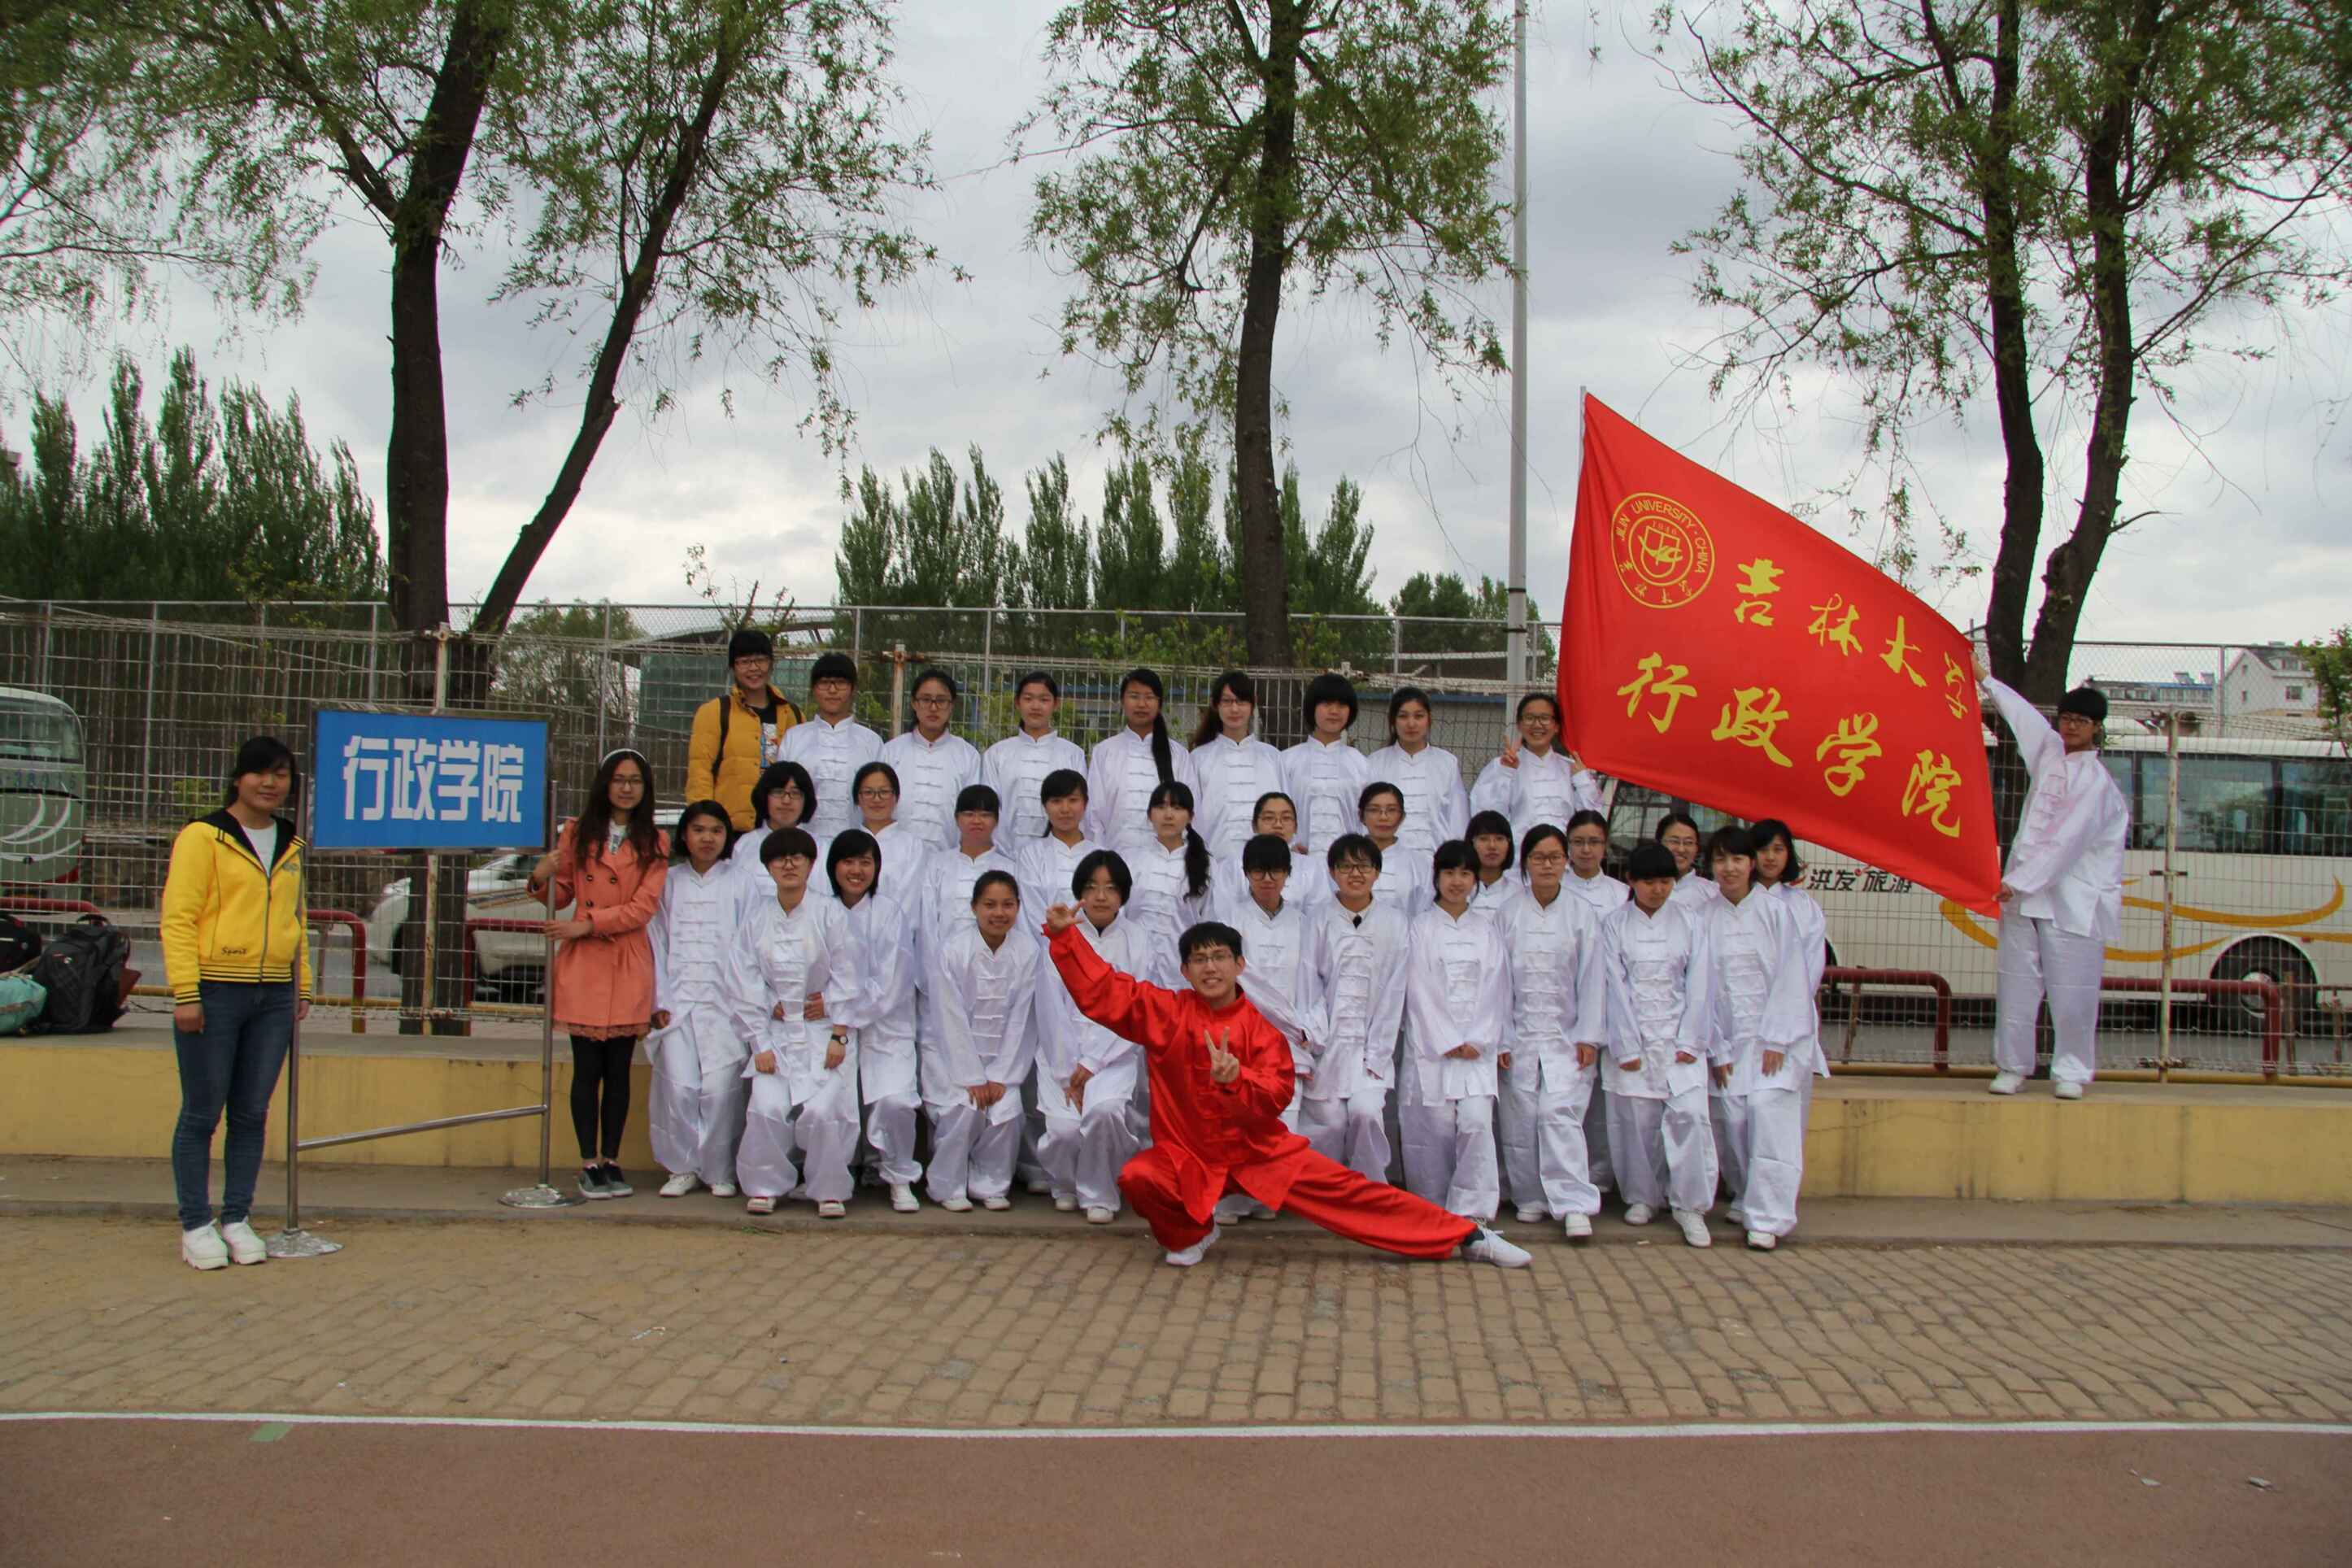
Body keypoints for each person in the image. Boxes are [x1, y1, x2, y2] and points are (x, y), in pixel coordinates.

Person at [1041, 906, 1531, 1270]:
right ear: (1185, 971)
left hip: (1258, 1152)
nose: (1210, 968)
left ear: (1240, 964)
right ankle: (1191, 1234)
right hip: (1187, 1154)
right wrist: (1066, 938)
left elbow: (1275, 1097)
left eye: (1219, 957)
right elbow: (1105, 992)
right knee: (1139, 1177)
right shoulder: (1166, 1012)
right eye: (1199, 960)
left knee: (1356, 1196)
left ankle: (1466, 1236)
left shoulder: (1261, 1030)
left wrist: (1236, 1080)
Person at [159, 734, 314, 1270]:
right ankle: (195, 1224)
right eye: (260, 773)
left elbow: (297, 919)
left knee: (251, 1111)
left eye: (281, 775)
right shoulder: (204, 837)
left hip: (273, 995)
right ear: (237, 779)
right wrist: (186, 992)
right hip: (215, 990)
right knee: (202, 1113)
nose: (270, 784)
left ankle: (236, 1217)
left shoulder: (292, 843)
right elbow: (179, 918)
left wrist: (301, 984)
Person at [1979, 664, 2129, 1100]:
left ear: (2097, 728)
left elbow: (2067, 841)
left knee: (2073, 990)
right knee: (2016, 983)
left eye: (2081, 721)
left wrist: (2018, 881)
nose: (2071, 727)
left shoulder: (2097, 785)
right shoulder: (2048, 753)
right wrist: (1984, 678)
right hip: (2024, 897)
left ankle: (2072, 1071)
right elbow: (2022, 716)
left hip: (2073, 901)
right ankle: (2012, 1066)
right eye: (2066, 718)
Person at [529, 748, 669, 1202]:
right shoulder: (578, 831)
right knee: (586, 1069)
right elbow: (563, 893)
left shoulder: (655, 841)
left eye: (635, 781)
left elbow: (642, 908)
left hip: (626, 957)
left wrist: (588, 925)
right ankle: (589, 1162)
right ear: (605, 784)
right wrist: (541, 876)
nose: (627, 788)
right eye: (619, 779)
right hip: (585, 962)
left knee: (619, 1071)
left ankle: (612, 1159)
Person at [729, 827, 862, 1217]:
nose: (788, 865)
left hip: (824, 1031)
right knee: (766, 1107)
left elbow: (848, 974)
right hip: (775, 1035)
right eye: (779, 858)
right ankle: (766, 1184)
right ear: (768, 867)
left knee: (823, 1112)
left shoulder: (830, 913)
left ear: (811, 863)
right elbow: (743, 980)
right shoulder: (756, 919)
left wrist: (839, 1035)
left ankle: (828, 1188)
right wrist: (759, 1042)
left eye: (797, 857)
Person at [1695, 827, 1818, 1252]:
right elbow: (1700, 989)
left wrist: (1779, 1041)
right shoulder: (1703, 917)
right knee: (1732, 1117)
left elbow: (1792, 978)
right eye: (1720, 860)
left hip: (1775, 1042)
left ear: (1751, 864)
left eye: (1737, 859)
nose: (1729, 868)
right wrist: (1716, 1048)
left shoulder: (1776, 912)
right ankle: (1747, 1196)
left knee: (1769, 1115)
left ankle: (1770, 1217)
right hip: (1729, 1043)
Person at [1597, 842, 1716, 1248]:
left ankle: (1690, 1206)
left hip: (1679, 1039)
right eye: (1649, 882)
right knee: (1636, 1123)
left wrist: (1692, 1039)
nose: (1658, 890)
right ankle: (1642, 1196)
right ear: (1631, 881)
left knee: (1690, 1118)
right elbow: (1612, 986)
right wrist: (1626, 1046)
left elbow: (1701, 982)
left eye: (1665, 882)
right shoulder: (1614, 924)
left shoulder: (1690, 922)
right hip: (1633, 1039)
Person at [1496, 825, 1609, 1239]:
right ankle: (1529, 1197)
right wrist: (1501, 1037)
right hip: (1520, 1037)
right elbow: (1498, 982)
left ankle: (1575, 1203)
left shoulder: (1582, 914)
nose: (1547, 865)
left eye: (1555, 857)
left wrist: (1589, 1036)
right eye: (1538, 858)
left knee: (1558, 1114)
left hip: (1567, 1039)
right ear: (1525, 862)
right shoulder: (1508, 913)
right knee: (1520, 1118)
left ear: (1566, 861)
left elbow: (1593, 978)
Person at [1030, 851, 1147, 1222]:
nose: (1100, 896)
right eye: (1092, 887)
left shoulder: (1138, 939)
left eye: (1110, 888)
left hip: (1114, 1053)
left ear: (1123, 895)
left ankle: (1100, 1193)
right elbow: (1050, 1008)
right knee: (1064, 1131)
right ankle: (1065, 1183)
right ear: (1080, 892)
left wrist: (1094, 1062)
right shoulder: (1061, 938)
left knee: (1104, 1113)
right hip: (1062, 1054)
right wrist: (1069, 1069)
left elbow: (1138, 1008)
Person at [1399, 841, 1511, 1221]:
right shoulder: (1420, 928)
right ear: (1436, 877)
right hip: (1433, 1049)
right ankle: (1432, 1206)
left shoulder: (1487, 930)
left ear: (1475, 879)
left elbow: (1497, 987)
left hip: (1477, 1050)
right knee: (1435, 1126)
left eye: (1465, 873)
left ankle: (1472, 1209)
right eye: (1449, 873)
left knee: (1476, 1123)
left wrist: (1479, 1038)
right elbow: (1418, 987)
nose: (1457, 881)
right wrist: (1445, 1039)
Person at [648, 800, 750, 1200]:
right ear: (685, 836)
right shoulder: (668, 883)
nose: (708, 838)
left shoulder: (741, 882)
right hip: (677, 1005)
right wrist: (658, 1001)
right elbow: (656, 943)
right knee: (679, 1087)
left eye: (716, 831)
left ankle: (720, 1169)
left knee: (721, 1090)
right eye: (699, 830)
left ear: (727, 837)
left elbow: (751, 947)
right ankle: (682, 1167)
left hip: (726, 1007)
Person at [1213, 832, 1316, 1222]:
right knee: (1239, 1119)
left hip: (1290, 1040)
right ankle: (1233, 1198)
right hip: (1243, 1035)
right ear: (1246, 874)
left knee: (1282, 1121)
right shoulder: (1230, 922)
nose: (1267, 879)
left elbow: (1315, 984)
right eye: (1258, 871)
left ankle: (1265, 1195)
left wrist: (1306, 1028)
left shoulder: (1305, 924)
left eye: (1275, 871)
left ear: (1288, 874)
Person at [926, 870, 1039, 1212]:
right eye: (990, 905)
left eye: (1007, 904)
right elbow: (948, 1017)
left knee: (1006, 1110)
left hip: (1003, 1062)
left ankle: (990, 1183)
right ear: (974, 907)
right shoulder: (953, 950)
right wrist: (972, 1075)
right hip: (952, 1060)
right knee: (965, 1108)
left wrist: (1001, 1075)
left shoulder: (1029, 951)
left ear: (1018, 907)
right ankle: (946, 1184)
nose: (999, 913)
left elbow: (1023, 1019)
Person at [1299, 834, 1409, 1182]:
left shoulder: (1394, 922)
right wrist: (1314, 1039)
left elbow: (1395, 992)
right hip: (1327, 1046)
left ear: (1377, 872)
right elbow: (1309, 981)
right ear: (1333, 872)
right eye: (1346, 867)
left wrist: (1377, 1054)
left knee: (1366, 1113)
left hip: (1370, 1050)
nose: (1355, 874)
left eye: (1363, 866)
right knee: (1328, 1123)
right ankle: (1326, 1193)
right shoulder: (1318, 919)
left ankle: (1370, 1192)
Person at [823, 830, 924, 1213]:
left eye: (865, 862)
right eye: (848, 861)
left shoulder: (889, 913)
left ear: (877, 868)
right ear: (833, 867)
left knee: (895, 1102)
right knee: (831, 1103)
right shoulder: (821, 911)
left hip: (885, 1024)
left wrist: (846, 1013)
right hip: (831, 1027)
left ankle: (899, 1176)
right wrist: (837, 1018)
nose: (857, 870)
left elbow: (891, 982)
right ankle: (831, 1177)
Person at [1557, 808, 1627, 1196]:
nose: (1586, 850)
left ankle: (1600, 1175)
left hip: (1615, 1004)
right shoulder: (1556, 889)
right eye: (1579, 842)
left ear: (1606, 846)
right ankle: (1566, 1173)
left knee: (1603, 1100)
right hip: (1568, 1007)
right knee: (1568, 1096)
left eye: (1594, 842)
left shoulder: (1620, 894)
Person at [685, 628, 804, 831]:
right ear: (733, 667)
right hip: (730, 830)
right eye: (744, 662)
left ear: (771, 664)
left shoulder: (792, 714)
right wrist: (704, 826)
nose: (753, 668)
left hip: (780, 829)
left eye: (760, 660)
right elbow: (700, 774)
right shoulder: (714, 712)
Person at [1470, 692, 1606, 845]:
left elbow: (1593, 820)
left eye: (1545, 718)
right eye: (1529, 718)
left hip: (1562, 857)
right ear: (1519, 725)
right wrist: (1505, 773)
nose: (1537, 725)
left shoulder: (1572, 768)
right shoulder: (1500, 766)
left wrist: (1582, 780)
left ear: (1556, 726)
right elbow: (1485, 817)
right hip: (1518, 856)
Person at [1087, 667, 1196, 853]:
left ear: (1159, 704)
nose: (1141, 704)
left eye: (1149, 697)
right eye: (1134, 696)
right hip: (1114, 859)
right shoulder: (1104, 752)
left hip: (1166, 860)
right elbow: (1093, 816)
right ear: (1122, 701)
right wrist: (1101, 858)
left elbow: (1190, 811)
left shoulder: (1178, 755)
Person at [779, 651, 882, 842]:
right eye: (825, 683)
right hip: (802, 846)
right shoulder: (794, 738)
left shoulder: (871, 741)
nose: (832, 690)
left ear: (853, 689)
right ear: (813, 689)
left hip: (856, 847)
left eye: (841, 683)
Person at [981, 671, 1087, 854]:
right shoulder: (997, 754)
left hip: (1057, 857)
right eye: (1028, 699)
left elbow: (1079, 809)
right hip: (1004, 856)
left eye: (1044, 700)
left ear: (1056, 704)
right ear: (1018, 703)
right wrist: (1001, 852)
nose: (1036, 706)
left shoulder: (1073, 754)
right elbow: (989, 808)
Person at [881, 667, 982, 849]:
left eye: (941, 701)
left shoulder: (968, 756)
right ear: (914, 703)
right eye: (926, 700)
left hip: (949, 857)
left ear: (952, 705)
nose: (933, 708)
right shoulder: (891, 752)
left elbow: (973, 812)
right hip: (895, 856)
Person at [1190, 669, 1287, 859]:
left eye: (1241, 701)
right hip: (1214, 862)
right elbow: (1191, 816)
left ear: (1253, 703)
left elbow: (1285, 811)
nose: (1234, 709)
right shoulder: (1199, 758)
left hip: (1266, 863)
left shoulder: (1272, 757)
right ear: (1216, 705)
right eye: (1227, 701)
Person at [1365, 687, 1468, 856]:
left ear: (1429, 719)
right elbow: (1366, 819)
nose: (1411, 724)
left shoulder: (1447, 763)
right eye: (1403, 716)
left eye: (1418, 716)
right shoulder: (1374, 762)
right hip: (1387, 861)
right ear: (1393, 721)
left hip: (1437, 862)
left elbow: (1458, 820)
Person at [1126, 779, 1213, 980]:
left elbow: (1210, 920)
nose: (1168, 815)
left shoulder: (1207, 866)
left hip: (1182, 972)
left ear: (1191, 817)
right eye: (1161, 807)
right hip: (1133, 968)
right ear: (1150, 815)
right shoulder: (1131, 861)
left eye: (1177, 808)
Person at [1282, 673, 1369, 856]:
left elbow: (1369, 819)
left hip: (1349, 865)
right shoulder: (1287, 761)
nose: (1334, 711)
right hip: (1297, 863)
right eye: (1327, 704)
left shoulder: (1361, 764)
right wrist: (1289, 845)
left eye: (1341, 705)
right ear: (1312, 708)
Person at [1015, 769, 1100, 922]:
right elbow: (1031, 911)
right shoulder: (1031, 855)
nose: (1065, 809)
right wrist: (1056, 933)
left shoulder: (1101, 856)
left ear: (1085, 804)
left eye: (1073, 800)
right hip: (1047, 936)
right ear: (1045, 806)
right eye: (1056, 801)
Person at [846, 760, 935, 902]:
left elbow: (910, 898)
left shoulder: (913, 846)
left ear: (896, 796)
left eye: (884, 792)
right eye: (868, 792)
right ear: (857, 798)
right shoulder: (845, 843)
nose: (876, 799)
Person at [1357, 782, 1431, 917]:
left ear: (1402, 817)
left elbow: (1425, 913)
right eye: (1374, 810)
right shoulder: (1346, 860)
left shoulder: (1420, 864)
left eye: (1391, 810)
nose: (1383, 817)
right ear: (1361, 816)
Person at [730, 761, 818, 873]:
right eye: (778, 792)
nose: (786, 800)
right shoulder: (745, 845)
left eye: (795, 793)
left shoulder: (821, 849)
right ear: (764, 796)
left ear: (806, 800)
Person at [1465, 808, 1523, 921]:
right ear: (1471, 843)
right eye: (1484, 839)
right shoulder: (1459, 889)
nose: (1492, 846)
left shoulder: (1519, 893)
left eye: (1499, 839)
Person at [1657, 812, 1718, 909]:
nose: (1681, 849)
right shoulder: (1640, 889)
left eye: (1688, 842)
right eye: (1674, 841)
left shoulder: (1713, 893)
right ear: (1659, 844)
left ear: (1697, 848)